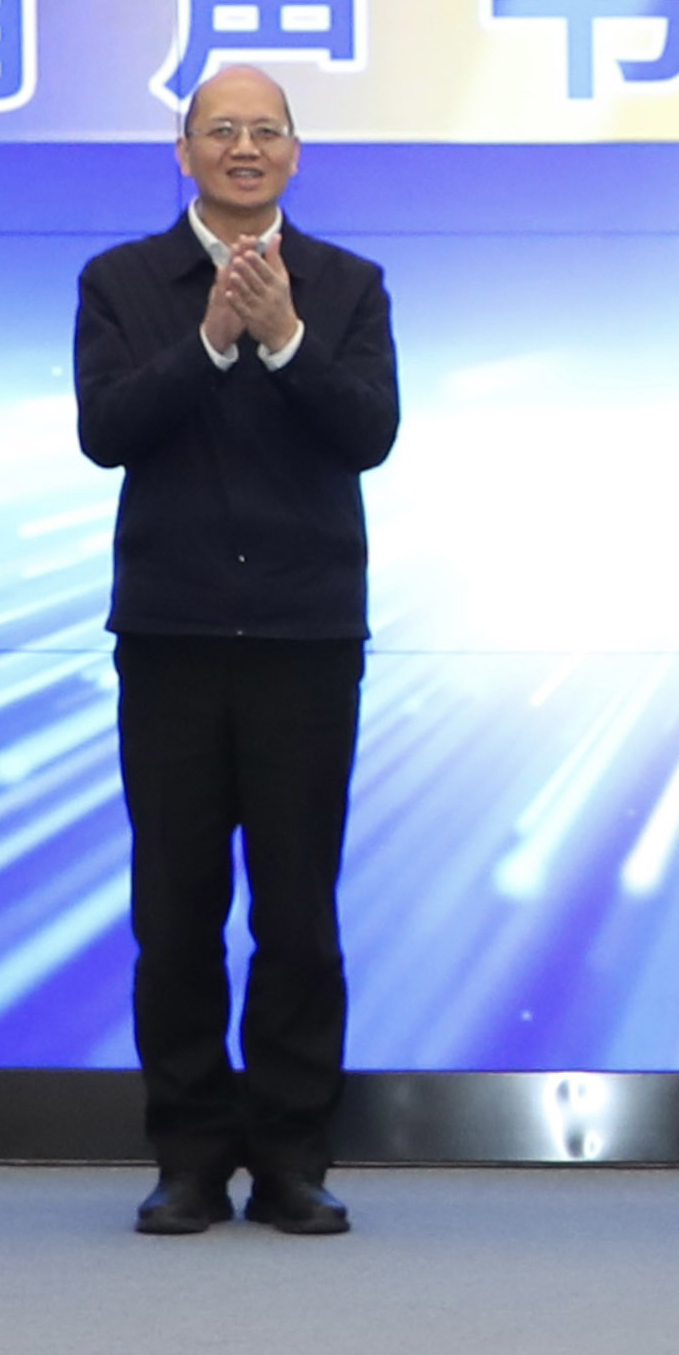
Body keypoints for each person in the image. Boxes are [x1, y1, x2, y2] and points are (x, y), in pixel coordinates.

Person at [74, 65, 401, 1239]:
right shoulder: (121, 281)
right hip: (170, 634)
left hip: (306, 637)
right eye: (221, 131)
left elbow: (369, 432)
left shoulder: (347, 286)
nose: (244, 148)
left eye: (266, 131)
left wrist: (287, 339)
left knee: (297, 913)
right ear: (184, 152)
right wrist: (211, 342)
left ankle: (293, 1157)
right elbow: (105, 432)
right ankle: (189, 1156)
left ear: (296, 154)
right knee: (174, 911)